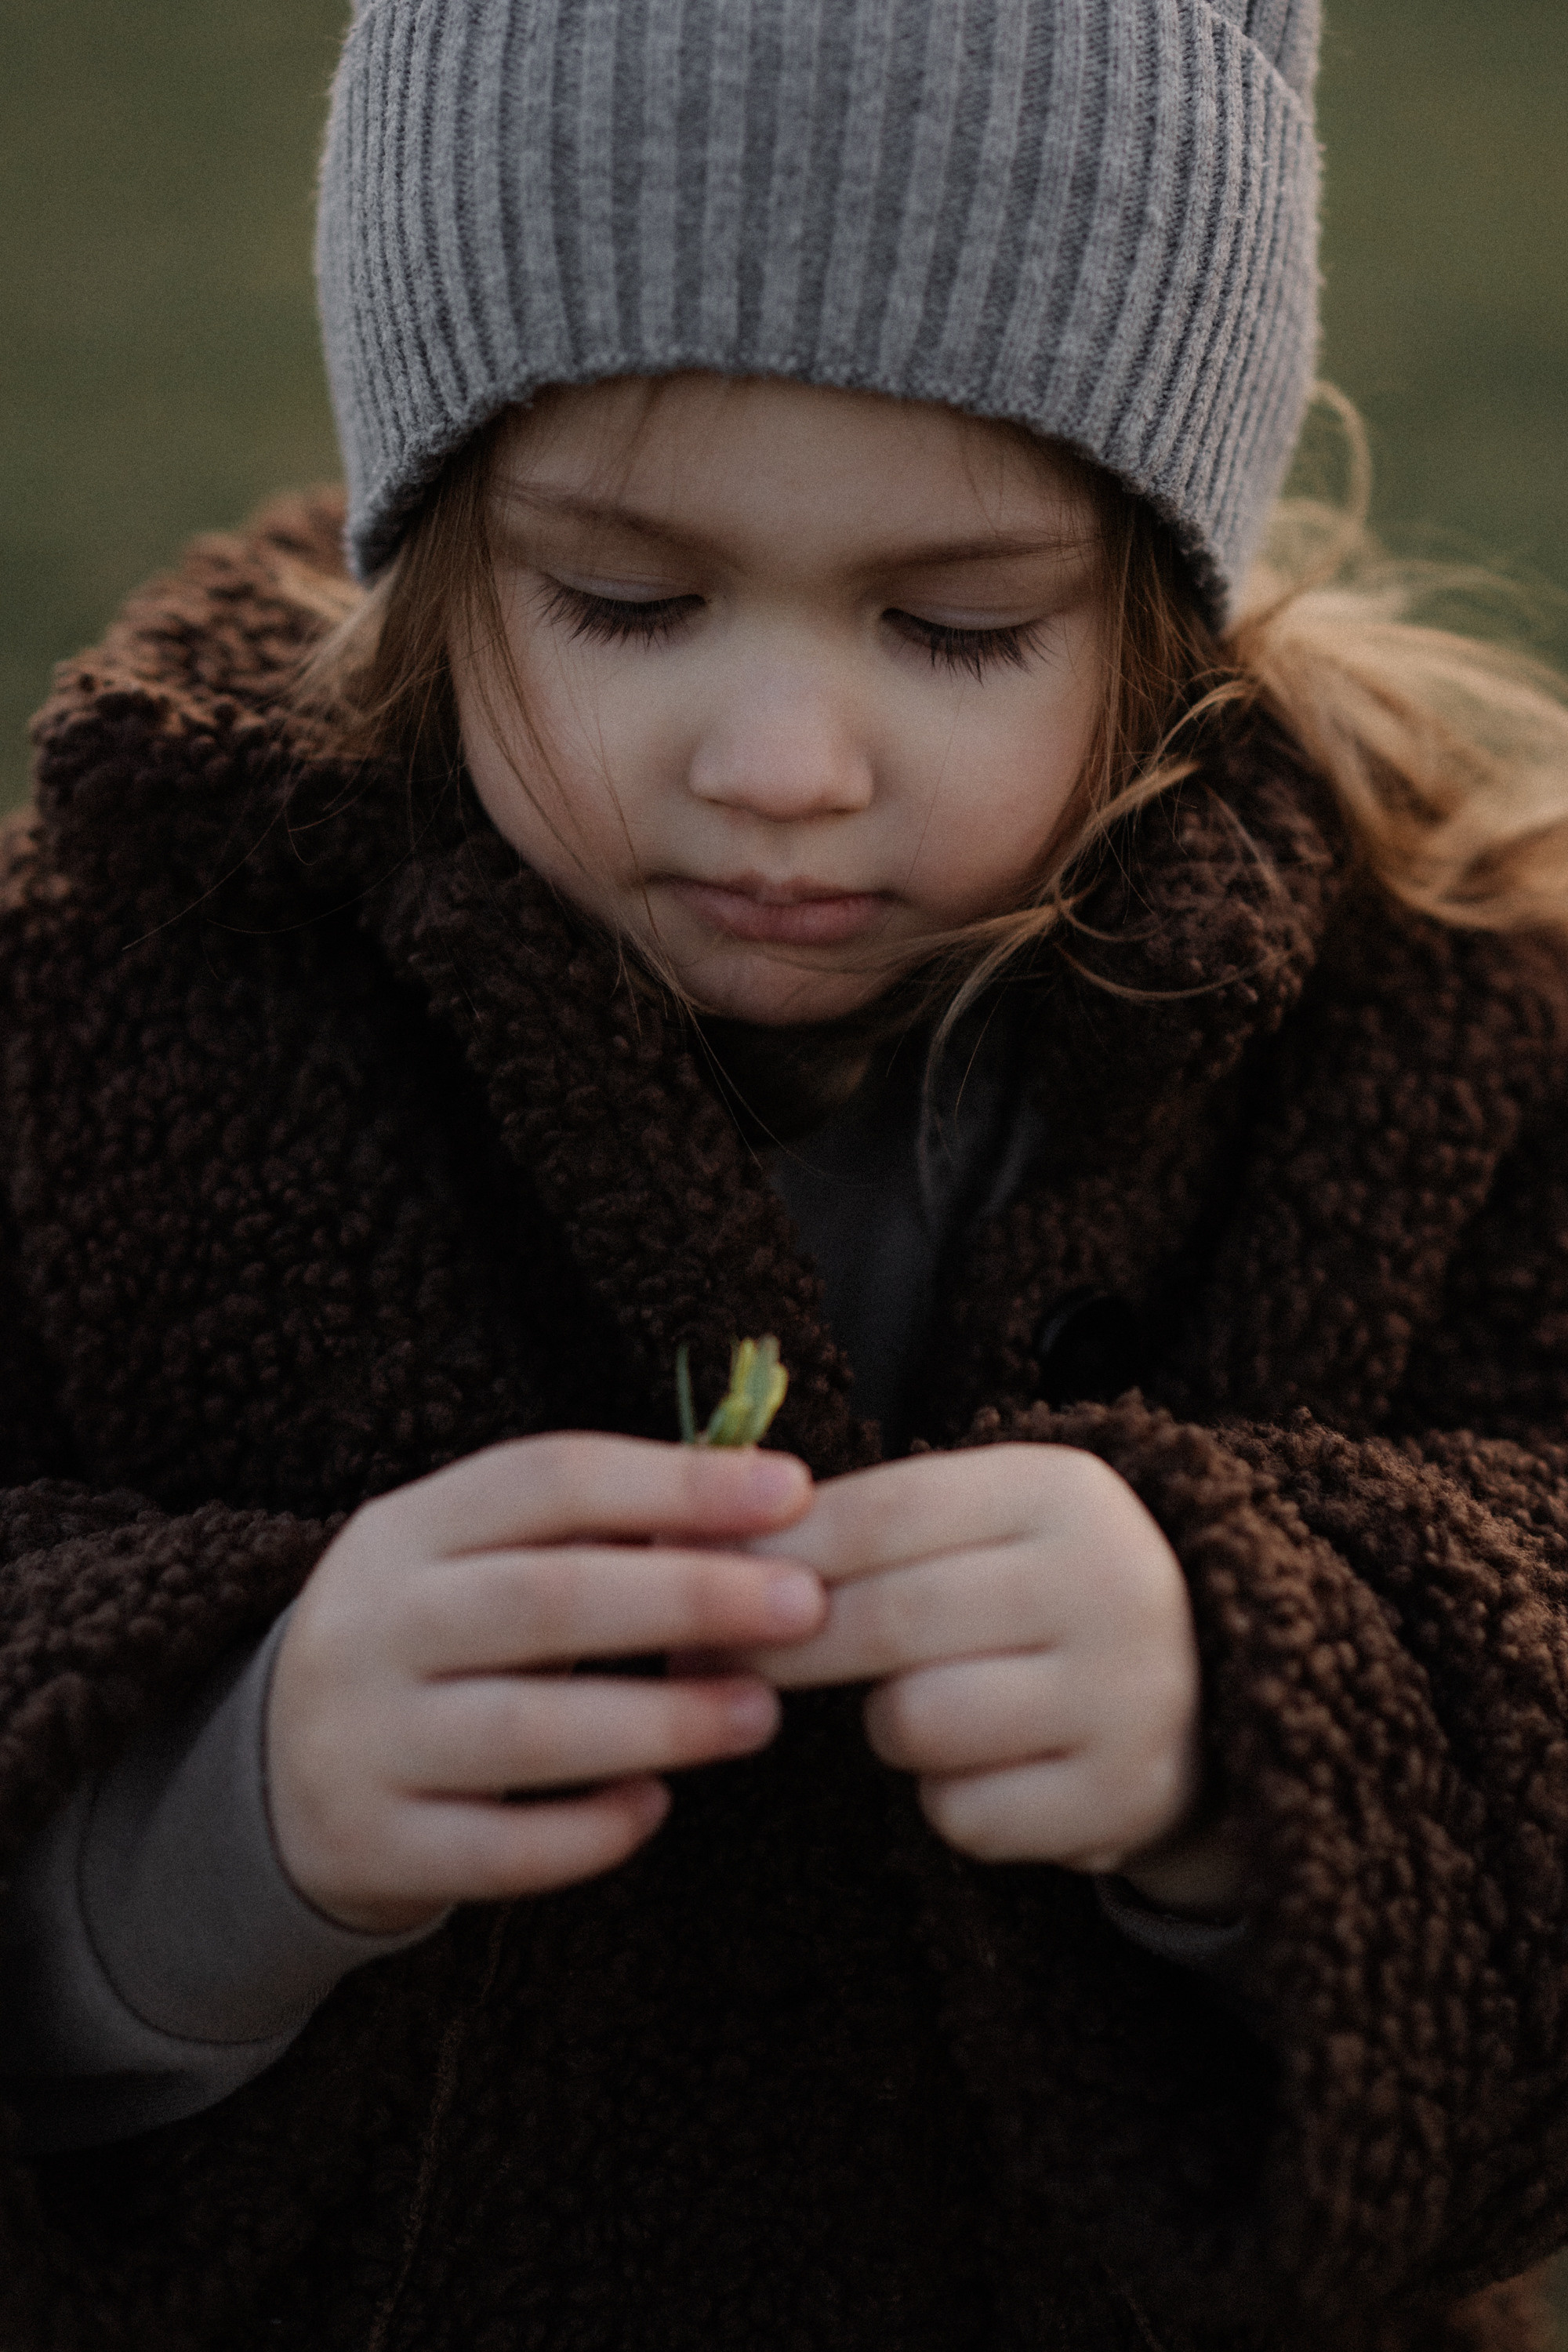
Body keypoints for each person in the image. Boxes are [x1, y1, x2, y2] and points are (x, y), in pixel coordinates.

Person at [3, 0, 1568, 2345]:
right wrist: (219, 1816)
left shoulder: (1433, 1023)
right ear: (433, 554)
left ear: (1162, 610)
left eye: (958, 627)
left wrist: (1265, 1713)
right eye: (625, 603)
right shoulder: (138, 992)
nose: (778, 761)